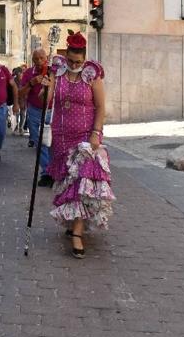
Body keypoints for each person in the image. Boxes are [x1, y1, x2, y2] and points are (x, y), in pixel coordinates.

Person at [45, 31, 114, 259]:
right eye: (72, 61)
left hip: (85, 137)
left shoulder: (92, 74)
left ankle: (77, 233)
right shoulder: (59, 71)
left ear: (84, 58)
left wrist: (96, 132)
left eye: (79, 61)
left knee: (82, 182)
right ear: (66, 56)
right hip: (61, 136)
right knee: (68, 183)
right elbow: (48, 101)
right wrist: (44, 84)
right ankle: (74, 221)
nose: (75, 65)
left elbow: (101, 107)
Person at [20, 49, 53, 187]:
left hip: (51, 111)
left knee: (52, 143)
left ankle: (52, 171)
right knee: (39, 143)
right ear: (32, 60)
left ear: (46, 58)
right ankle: (46, 172)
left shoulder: (53, 72)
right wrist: (31, 83)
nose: (39, 61)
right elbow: (21, 93)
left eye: (42, 58)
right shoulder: (28, 74)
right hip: (34, 111)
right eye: (36, 59)